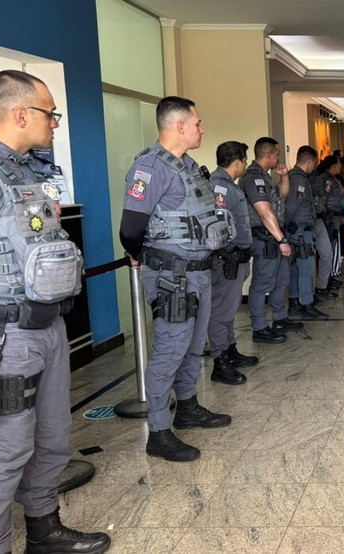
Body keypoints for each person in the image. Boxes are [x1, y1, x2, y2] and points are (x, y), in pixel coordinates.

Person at [0, 70, 111, 554]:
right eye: (50, 113)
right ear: (21, 113)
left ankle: (43, 529)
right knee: (4, 451)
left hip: (47, 326)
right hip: (0, 335)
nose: (56, 123)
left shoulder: (25, 169)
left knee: (52, 437)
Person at [120, 96, 234, 463]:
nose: (202, 128)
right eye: (197, 123)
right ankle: (158, 431)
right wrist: (144, 256)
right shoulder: (149, 169)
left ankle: (187, 407)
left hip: (199, 273)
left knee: (191, 345)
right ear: (179, 126)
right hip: (171, 275)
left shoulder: (190, 168)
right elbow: (130, 229)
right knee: (169, 350)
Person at [208, 141, 262, 385]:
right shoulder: (220, 188)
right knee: (221, 311)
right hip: (226, 260)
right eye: (244, 160)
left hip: (237, 258)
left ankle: (230, 350)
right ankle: (220, 362)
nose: (246, 165)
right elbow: (217, 226)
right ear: (237, 161)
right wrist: (228, 252)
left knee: (228, 310)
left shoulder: (229, 186)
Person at [239, 137, 301, 343]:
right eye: (277, 155)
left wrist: (284, 177)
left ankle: (280, 318)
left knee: (280, 280)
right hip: (265, 238)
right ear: (268, 155)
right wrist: (282, 239)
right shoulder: (253, 178)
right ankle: (260, 327)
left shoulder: (265, 177)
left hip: (275, 237)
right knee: (261, 283)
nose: (278, 158)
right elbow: (265, 212)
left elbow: (282, 196)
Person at [285, 145, 328, 319]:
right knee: (306, 269)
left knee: (296, 269)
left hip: (296, 231)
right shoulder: (299, 180)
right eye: (314, 164)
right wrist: (289, 227)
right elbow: (292, 206)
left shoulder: (294, 177)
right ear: (309, 162)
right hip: (300, 232)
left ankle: (295, 302)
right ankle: (306, 304)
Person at [316, 155, 344, 290]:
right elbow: (325, 200)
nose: (341, 167)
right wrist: (330, 217)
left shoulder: (332, 179)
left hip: (334, 216)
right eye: (339, 164)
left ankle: (330, 277)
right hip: (329, 218)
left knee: (333, 248)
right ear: (333, 166)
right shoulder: (327, 180)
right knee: (329, 249)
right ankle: (326, 280)